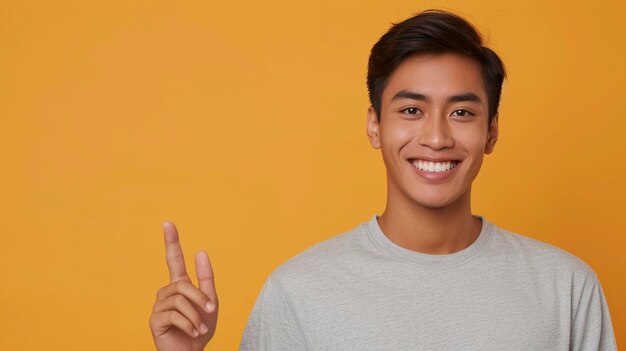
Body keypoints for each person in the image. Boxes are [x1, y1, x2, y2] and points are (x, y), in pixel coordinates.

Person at [149, 9, 617, 351]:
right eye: (411, 110)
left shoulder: (567, 287)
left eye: (462, 112)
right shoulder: (299, 292)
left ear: (491, 131)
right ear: (375, 125)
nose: (435, 136)